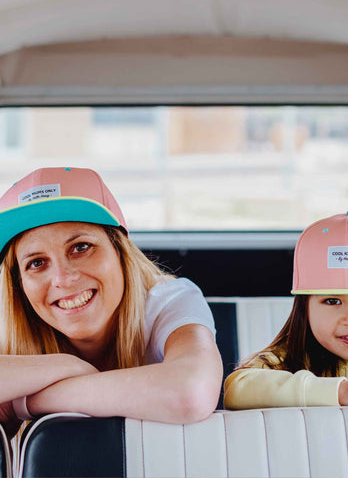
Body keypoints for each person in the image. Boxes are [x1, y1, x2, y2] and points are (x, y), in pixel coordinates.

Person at [0, 167, 222, 438]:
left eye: (80, 247)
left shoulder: (169, 300)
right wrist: (67, 365)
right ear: (19, 284)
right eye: (36, 263)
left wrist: (27, 401)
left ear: (120, 251)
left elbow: (191, 392)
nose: (63, 279)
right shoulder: (10, 317)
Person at [224, 210, 348, 410]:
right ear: (304, 310)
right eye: (332, 301)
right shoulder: (288, 357)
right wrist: (342, 392)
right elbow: (237, 389)